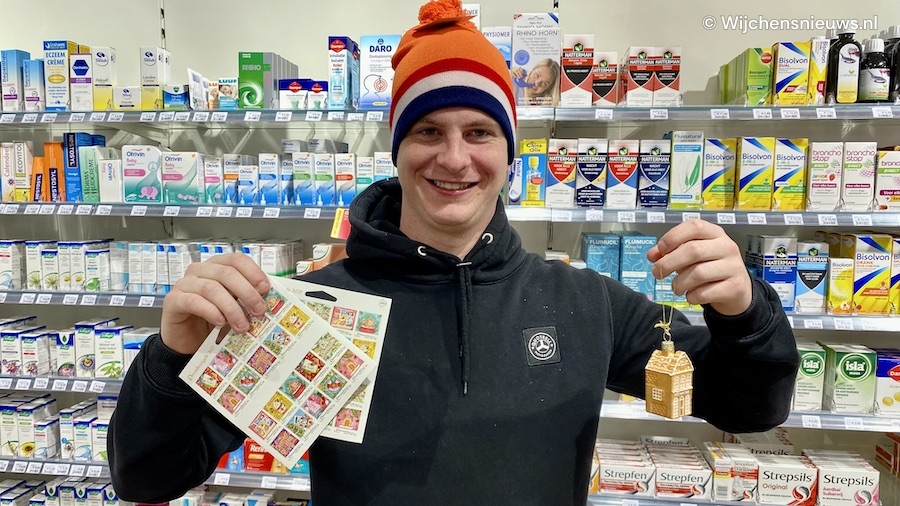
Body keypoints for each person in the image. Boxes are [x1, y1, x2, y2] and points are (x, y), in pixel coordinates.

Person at [107, 0, 799, 504]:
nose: (455, 158)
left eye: (480, 132)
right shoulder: (312, 309)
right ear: (397, 147)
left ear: (510, 153)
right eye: (429, 131)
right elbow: (146, 476)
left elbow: (752, 407)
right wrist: (172, 358)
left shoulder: (587, 303)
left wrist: (745, 312)